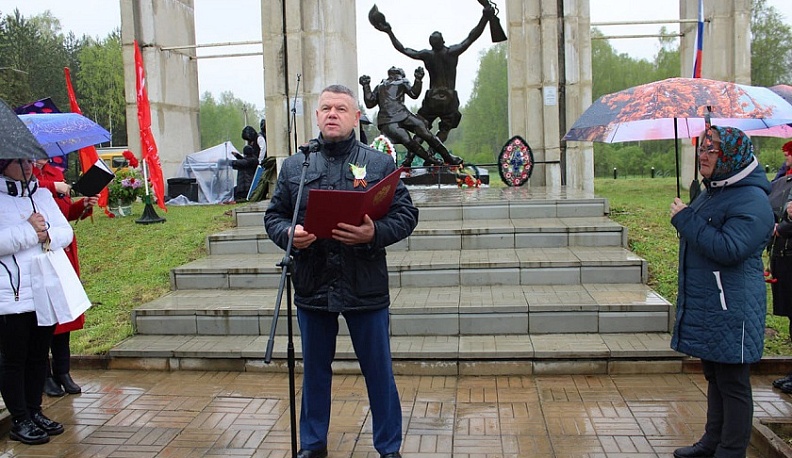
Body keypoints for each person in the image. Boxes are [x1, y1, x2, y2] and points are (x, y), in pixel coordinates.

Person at [264, 84, 418, 458]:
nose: (332, 114)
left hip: (364, 285)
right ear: (317, 116)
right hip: (313, 284)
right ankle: (312, 445)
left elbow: (406, 214)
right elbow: (275, 215)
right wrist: (289, 234)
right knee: (315, 372)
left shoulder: (379, 164)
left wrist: (374, 232)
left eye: (341, 108)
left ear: (356, 117)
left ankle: (389, 447)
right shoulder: (296, 166)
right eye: (326, 108)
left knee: (378, 371)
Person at [669, 126, 774, 458]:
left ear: (731, 155)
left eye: (711, 149)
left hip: (733, 307)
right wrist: (690, 215)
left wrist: (686, 219)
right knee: (715, 376)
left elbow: (730, 248)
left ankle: (730, 450)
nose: (703, 155)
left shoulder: (752, 199)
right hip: (711, 303)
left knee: (733, 383)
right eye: (702, 148)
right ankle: (711, 442)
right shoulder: (714, 191)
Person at [0, 157, 73, 445]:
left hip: (44, 289)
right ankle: (19, 419)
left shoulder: (41, 195)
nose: (28, 165)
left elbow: (65, 232)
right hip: (11, 295)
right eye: (19, 161)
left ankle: (34, 411)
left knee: (38, 356)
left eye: (29, 159)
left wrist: (46, 234)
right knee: (13, 359)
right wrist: (30, 231)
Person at [372, 3, 494, 142]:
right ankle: (432, 151)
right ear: (443, 41)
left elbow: (404, 49)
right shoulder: (452, 52)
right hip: (449, 97)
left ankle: (412, 153)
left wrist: (389, 32)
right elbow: (472, 37)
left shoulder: (427, 55)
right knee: (445, 128)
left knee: (422, 128)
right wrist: (485, 18)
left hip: (432, 97)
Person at [33, 157, 99, 397]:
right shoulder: (26, 176)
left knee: (64, 318)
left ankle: (63, 371)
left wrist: (83, 205)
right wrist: (53, 187)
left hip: (64, 252)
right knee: (44, 319)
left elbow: (65, 213)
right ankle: (44, 376)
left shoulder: (54, 174)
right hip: (40, 255)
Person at [360, 66, 462, 167]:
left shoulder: (401, 82)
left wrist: (418, 79)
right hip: (389, 119)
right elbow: (370, 103)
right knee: (408, 140)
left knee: (424, 132)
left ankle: (447, 157)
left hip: (402, 115)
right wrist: (366, 86)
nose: (394, 67)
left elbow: (414, 93)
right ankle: (431, 159)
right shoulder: (380, 86)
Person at [232, 125, 260, 201]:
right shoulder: (253, 159)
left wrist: (227, 162)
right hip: (247, 187)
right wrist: (237, 156)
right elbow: (244, 161)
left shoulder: (251, 160)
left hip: (245, 188)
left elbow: (243, 163)